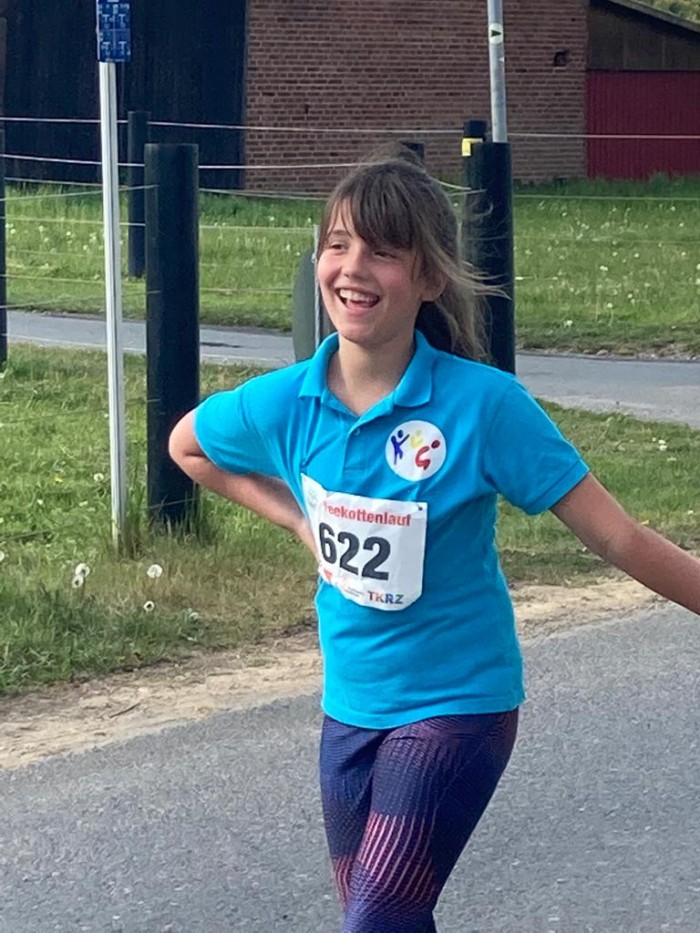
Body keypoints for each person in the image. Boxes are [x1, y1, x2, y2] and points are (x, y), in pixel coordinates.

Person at [168, 150, 700, 932]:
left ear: (428, 278)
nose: (354, 267)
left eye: (383, 251)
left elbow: (618, 535)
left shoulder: (484, 406)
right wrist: (300, 519)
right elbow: (188, 447)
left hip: (459, 702)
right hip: (351, 706)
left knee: (376, 917)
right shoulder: (285, 404)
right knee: (384, 916)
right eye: (339, 244)